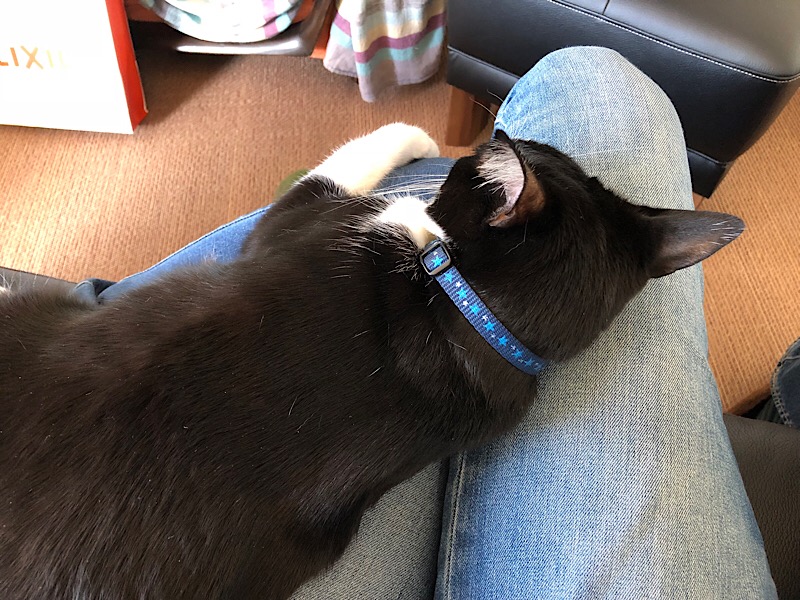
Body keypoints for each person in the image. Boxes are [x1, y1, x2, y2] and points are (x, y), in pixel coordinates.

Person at [82, 47, 778, 598]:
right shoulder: (496, 408)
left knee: (587, 78)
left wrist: (399, 148)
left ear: (497, 208)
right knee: (601, 82)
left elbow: (280, 231)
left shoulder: (368, 271)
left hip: (83, 431)